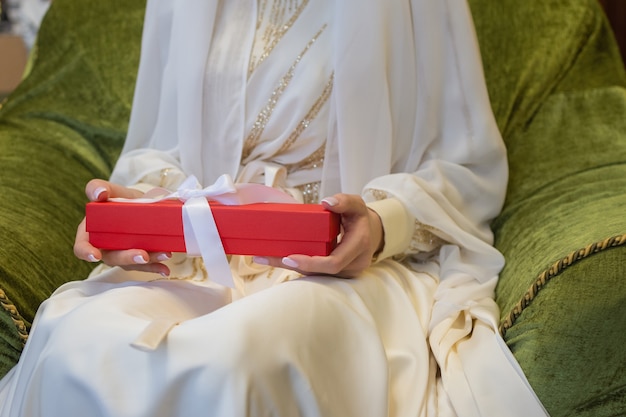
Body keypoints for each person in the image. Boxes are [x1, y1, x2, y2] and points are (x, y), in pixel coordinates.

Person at [0, 0, 548, 416]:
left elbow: (466, 165)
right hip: (202, 254)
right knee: (83, 342)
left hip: (342, 267)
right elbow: (160, 147)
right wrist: (135, 211)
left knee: (234, 356)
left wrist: (382, 222)